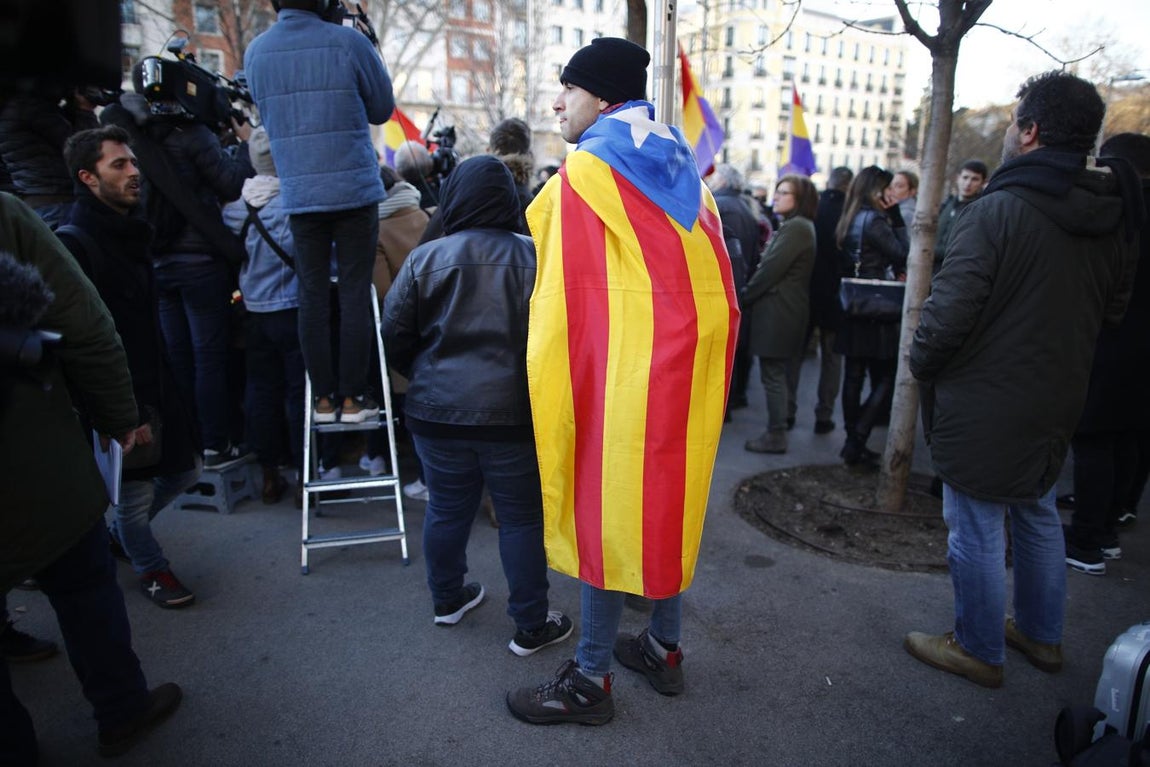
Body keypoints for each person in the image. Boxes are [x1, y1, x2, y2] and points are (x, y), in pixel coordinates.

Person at [506, 37, 739, 725]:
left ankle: (591, 678)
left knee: (602, 517)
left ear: (602, 97)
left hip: (622, 377)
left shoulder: (586, 173)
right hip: (681, 374)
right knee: (660, 505)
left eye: (567, 91)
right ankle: (664, 649)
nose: (556, 102)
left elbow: (560, 297)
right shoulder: (690, 175)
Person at [904, 71, 1141, 688]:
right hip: (1058, 396)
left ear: (1030, 132)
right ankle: (1041, 635)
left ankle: (978, 647)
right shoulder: (1112, 214)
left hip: (987, 401)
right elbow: (1112, 311)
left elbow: (945, 317)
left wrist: (923, 365)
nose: (1009, 131)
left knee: (977, 524)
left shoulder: (997, 212)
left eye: (1014, 121)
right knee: (1034, 512)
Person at [0, 195, 181, 762]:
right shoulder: (8, 216)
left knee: (83, 581)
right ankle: (122, 709)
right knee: (82, 584)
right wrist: (119, 418)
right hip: (30, 455)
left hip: (32, 453)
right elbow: (85, 324)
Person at [380, 155, 573, 654]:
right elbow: (561, 338)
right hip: (514, 414)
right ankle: (531, 624)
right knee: (521, 517)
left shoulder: (428, 257)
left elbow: (393, 333)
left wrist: (423, 375)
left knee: (446, 509)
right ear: (509, 199)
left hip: (435, 411)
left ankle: (447, 600)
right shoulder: (538, 256)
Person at [60, 125, 202, 608]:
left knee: (186, 471)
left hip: (159, 383)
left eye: (133, 162)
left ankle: (122, 537)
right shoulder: (76, 241)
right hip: (121, 395)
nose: (133, 172)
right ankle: (151, 567)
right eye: (118, 164)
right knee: (136, 499)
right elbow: (82, 340)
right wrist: (117, 412)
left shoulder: (133, 230)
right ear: (88, 177)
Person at [245, 0, 395, 426]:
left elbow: (267, 113)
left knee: (311, 295)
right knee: (352, 294)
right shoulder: (347, 42)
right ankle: (352, 399)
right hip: (352, 190)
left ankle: (323, 400)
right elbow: (382, 108)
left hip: (299, 191)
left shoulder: (256, 51)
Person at [100, 82, 254, 469]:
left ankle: (192, 443)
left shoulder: (135, 136)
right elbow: (232, 183)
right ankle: (217, 444)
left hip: (159, 261)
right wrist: (246, 143)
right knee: (209, 358)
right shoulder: (192, 135)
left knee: (180, 358)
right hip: (199, 263)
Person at [1061, 132, 1150, 575]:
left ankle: (1086, 540)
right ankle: (1108, 530)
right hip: (1136, 351)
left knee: (1095, 439)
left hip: (1113, 343)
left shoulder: (1117, 211)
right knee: (1125, 439)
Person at [221, 127, 305, 505]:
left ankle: (269, 474)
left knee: (261, 392)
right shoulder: (294, 205)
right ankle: (306, 473)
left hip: (252, 311)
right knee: (299, 392)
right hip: (291, 307)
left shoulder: (234, 209)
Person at [833, 166, 909, 466]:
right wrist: (898, 219)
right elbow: (904, 253)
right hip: (876, 305)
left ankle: (853, 438)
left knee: (853, 375)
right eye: (888, 188)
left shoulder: (849, 216)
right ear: (876, 189)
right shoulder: (876, 220)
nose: (891, 194)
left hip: (853, 303)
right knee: (888, 375)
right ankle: (857, 437)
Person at [742, 174, 818, 454]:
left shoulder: (797, 228)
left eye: (784, 193)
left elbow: (770, 270)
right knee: (777, 374)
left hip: (780, 313)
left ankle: (776, 434)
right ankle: (779, 428)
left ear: (799, 200)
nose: (776, 196)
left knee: (773, 375)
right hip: (783, 310)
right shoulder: (795, 226)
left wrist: (744, 297)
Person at [787, 166, 851, 435]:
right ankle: (823, 415)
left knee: (795, 356)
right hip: (836, 297)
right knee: (832, 360)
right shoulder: (850, 213)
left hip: (806, 293)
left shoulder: (814, 209)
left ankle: (787, 412)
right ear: (848, 186)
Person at [707, 164, 759, 415]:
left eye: (716, 177)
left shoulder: (722, 207)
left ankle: (724, 407)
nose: (712, 181)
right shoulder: (745, 208)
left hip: (727, 287)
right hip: (738, 286)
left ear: (725, 182)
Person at [932, 159, 987, 274]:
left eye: (975, 179)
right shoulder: (947, 204)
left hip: (955, 272)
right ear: (958, 178)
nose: (968, 183)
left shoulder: (980, 211)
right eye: (965, 177)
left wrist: (930, 252)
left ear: (982, 183)